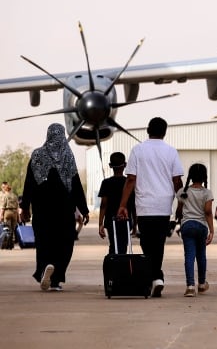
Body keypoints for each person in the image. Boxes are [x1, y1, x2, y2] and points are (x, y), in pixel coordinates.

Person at [117, 117, 184, 298]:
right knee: (159, 243)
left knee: (147, 243)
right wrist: (182, 204)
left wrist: (123, 205)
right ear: (164, 132)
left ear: (148, 130)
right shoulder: (171, 152)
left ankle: (154, 277)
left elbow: (131, 179)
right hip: (164, 205)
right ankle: (157, 277)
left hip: (145, 205)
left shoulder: (138, 150)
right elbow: (177, 181)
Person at [20, 123, 89, 291]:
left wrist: (25, 207)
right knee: (64, 243)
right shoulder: (67, 155)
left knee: (44, 242)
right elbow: (76, 185)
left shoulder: (37, 155)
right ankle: (56, 279)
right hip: (64, 211)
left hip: (42, 211)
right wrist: (84, 209)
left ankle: (45, 267)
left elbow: (29, 184)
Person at [175, 163, 214, 297]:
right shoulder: (207, 193)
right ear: (204, 177)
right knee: (201, 255)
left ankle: (190, 286)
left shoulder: (183, 191)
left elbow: (179, 211)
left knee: (189, 256)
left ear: (190, 176)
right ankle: (202, 284)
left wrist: (179, 221)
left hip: (187, 226)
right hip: (201, 226)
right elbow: (208, 212)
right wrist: (212, 231)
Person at [98, 152, 136, 254]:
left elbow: (103, 205)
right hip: (126, 219)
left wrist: (100, 224)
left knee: (113, 244)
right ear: (125, 164)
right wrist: (136, 224)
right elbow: (133, 205)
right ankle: (121, 265)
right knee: (123, 245)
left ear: (110, 166)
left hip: (111, 220)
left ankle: (113, 264)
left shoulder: (106, 183)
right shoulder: (129, 183)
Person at [1, 182, 20, 247]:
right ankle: (11, 244)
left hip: (7, 212)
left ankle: (7, 244)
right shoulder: (15, 196)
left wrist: (1, 215)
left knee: (7, 229)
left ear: (6, 189)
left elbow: (3, 207)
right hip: (14, 213)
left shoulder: (5, 196)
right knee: (12, 229)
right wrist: (19, 217)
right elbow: (17, 207)